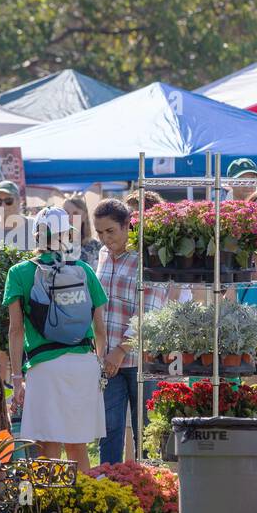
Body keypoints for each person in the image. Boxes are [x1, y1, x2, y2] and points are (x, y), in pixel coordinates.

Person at [5, 207, 108, 469]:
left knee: (46, 446)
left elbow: (16, 330)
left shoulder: (19, 272)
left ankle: (50, 507)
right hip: (84, 364)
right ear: (68, 235)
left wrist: (17, 378)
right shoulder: (84, 269)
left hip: (44, 366)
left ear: (36, 236)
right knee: (78, 446)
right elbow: (100, 328)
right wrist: (100, 366)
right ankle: (84, 505)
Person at [94, 199, 169, 464]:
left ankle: (153, 493)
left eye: (110, 231)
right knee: (109, 431)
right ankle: (109, 489)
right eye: (100, 232)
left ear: (128, 225)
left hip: (141, 359)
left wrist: (121, 349)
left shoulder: (147, 258)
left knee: (146, 433)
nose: (104, 239)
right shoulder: (103, 256)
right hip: (109, 362)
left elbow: (150, 313)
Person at [63, 194, 102, 268]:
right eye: (66, 213)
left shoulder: (95, 246)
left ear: (84, 216)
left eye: (75, 213)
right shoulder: (53, 245)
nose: (69, 218)